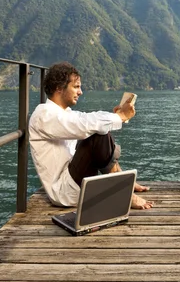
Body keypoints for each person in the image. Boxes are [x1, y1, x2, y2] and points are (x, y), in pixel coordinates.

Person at [29, 61, 154, 210]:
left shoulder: (63, 114)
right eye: (76, 87)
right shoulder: (44, 115)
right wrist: (120, 116)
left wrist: (115, 116)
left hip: (72, 179)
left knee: (98, 129)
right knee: (97, 133)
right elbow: (84, 124)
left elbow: (87, 119)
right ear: (59, 88)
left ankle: (125, 183)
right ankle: (124, 192)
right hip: (64, 191)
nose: (80, 92)